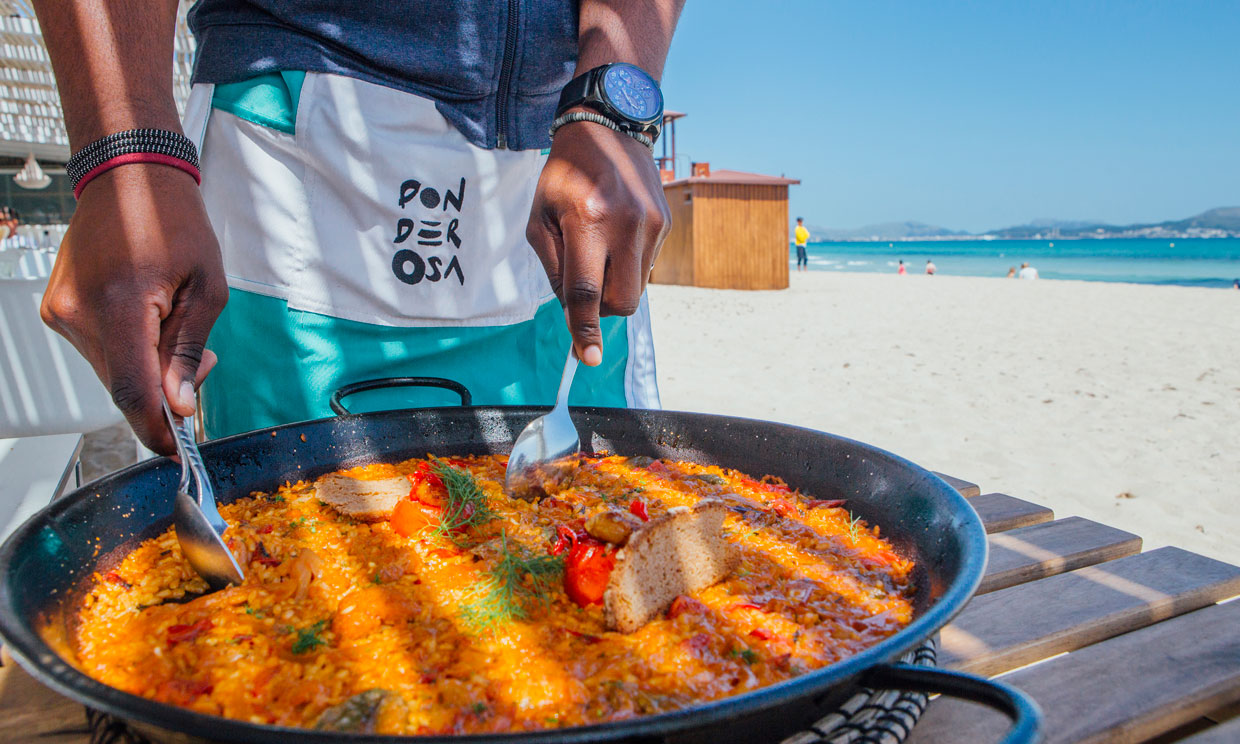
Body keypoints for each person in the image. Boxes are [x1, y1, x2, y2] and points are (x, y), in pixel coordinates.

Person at [35, 1, 683, 454]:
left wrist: (611, 97)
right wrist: (123, 146)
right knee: (279, 570)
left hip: (566, 164)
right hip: (290, 158)